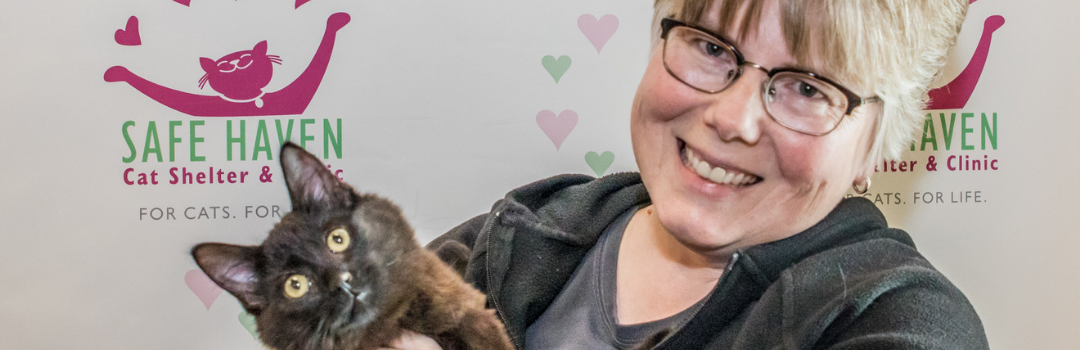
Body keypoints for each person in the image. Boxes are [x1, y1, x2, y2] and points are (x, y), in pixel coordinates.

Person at [388, 0, 989, 348]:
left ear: (874, 147)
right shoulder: (522, 233)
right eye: (710, 48)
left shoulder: (899, 322)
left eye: (807, 87)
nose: (732, 119)